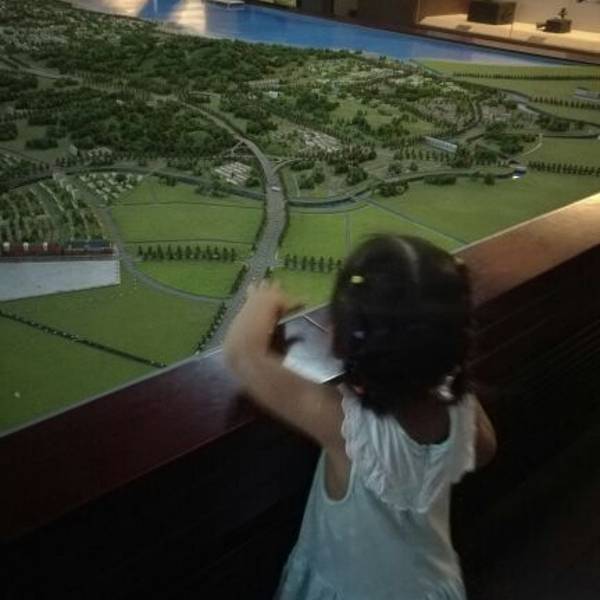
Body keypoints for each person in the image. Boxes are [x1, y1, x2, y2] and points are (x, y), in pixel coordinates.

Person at [224, 234, 497, 600]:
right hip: (433, 585)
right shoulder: (460, 407)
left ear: (342, 339)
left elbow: (242, 354)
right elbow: (485, 451)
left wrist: (262, 301)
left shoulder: (343, 424)